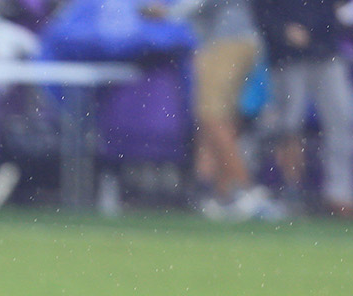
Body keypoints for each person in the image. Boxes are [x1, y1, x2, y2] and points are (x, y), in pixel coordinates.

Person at [144, 0, 269, 220]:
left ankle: (245, 191)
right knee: (222, 120)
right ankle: (224, 195)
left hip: (228, 42)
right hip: (227, 41)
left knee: (213, 117)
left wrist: (168, 12)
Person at [250, 0, 353, 217]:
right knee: (288, 126)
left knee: (341, 121)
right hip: (287, 55)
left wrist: (323, 26)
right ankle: (290, 191)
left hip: (324, 50)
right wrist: (282, 30)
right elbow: (260, 12)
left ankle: (339, 193)